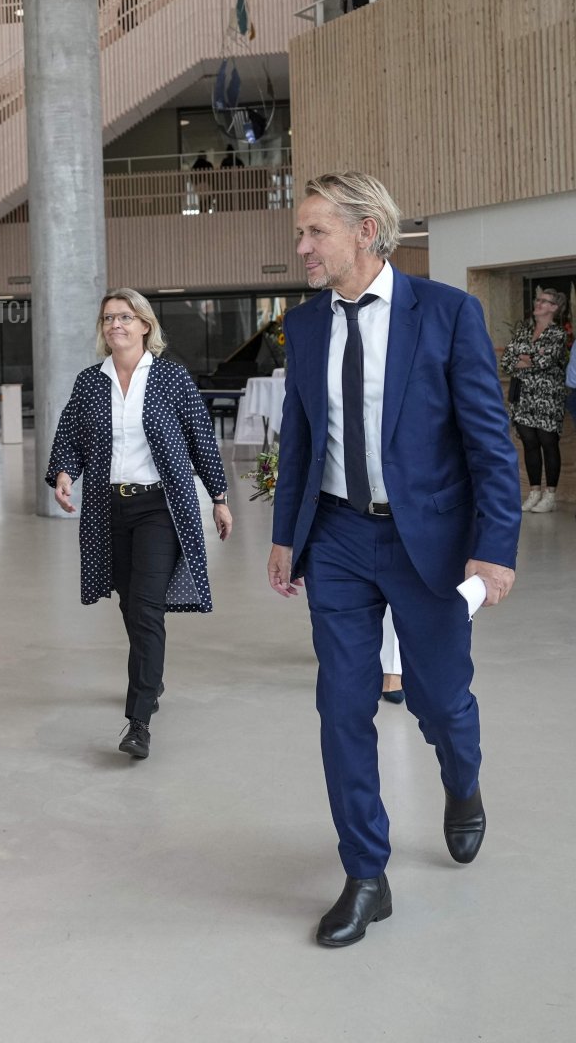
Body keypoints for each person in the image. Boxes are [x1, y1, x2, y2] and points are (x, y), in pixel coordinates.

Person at [268, 172, 520, 949]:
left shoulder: (446, 315)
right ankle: (366, 874)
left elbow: (488, 442)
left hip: (432, 545)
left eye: (315, 233)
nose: (302, 246)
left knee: (440, 699)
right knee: (341, 706)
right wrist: (287, 533)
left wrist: (495, 548)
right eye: (301, 233)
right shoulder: (306, 327)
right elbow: (302, 439)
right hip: (339, 540)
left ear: (366, 232)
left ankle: (462, 779)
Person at [46, 289, 232, 760]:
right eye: (108, 318)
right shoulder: (91, 381)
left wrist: (220, 498)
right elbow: (69, 433)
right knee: (131, 605)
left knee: (147, 608)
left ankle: (138, 720)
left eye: (125, 317)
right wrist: (65, 472)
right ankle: (153, 679)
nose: (116, 326)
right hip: (109, 510)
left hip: (159, 508)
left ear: (145, 325)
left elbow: (200, 437)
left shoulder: (170, 377)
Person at [502, 288, 569, 514]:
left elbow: (544, 361)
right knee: (529, 443)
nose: (538, 303)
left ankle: (550, 495)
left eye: (544, 301)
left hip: (548, 397)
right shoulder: (524, 330)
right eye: (538, 300)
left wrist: (524, 357)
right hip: (523, 397)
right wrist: (528, 356)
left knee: (548, 443)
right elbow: (506, 361)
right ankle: (534, 492)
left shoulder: (558, 334)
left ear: (554, 308)